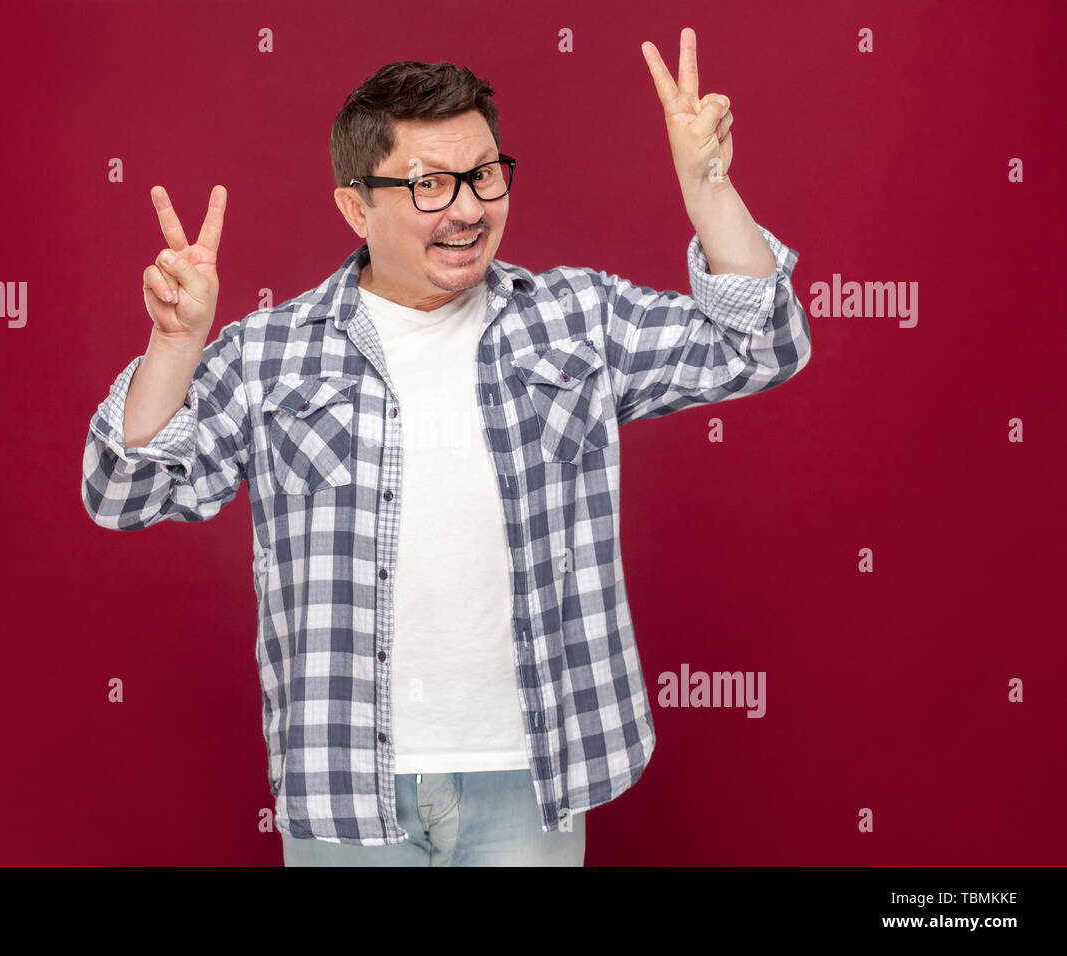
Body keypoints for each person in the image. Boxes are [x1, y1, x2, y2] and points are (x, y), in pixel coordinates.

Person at [82, 32, 811, 866]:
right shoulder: (269, 353)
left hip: (532, 772)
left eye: (484, 175)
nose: (468, 209)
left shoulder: (575, 318)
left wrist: (708, 186)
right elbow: (122, 493)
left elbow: (762, 347)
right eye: (429, 185)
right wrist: (174, 346)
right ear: (358, 207)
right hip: (348, 783)